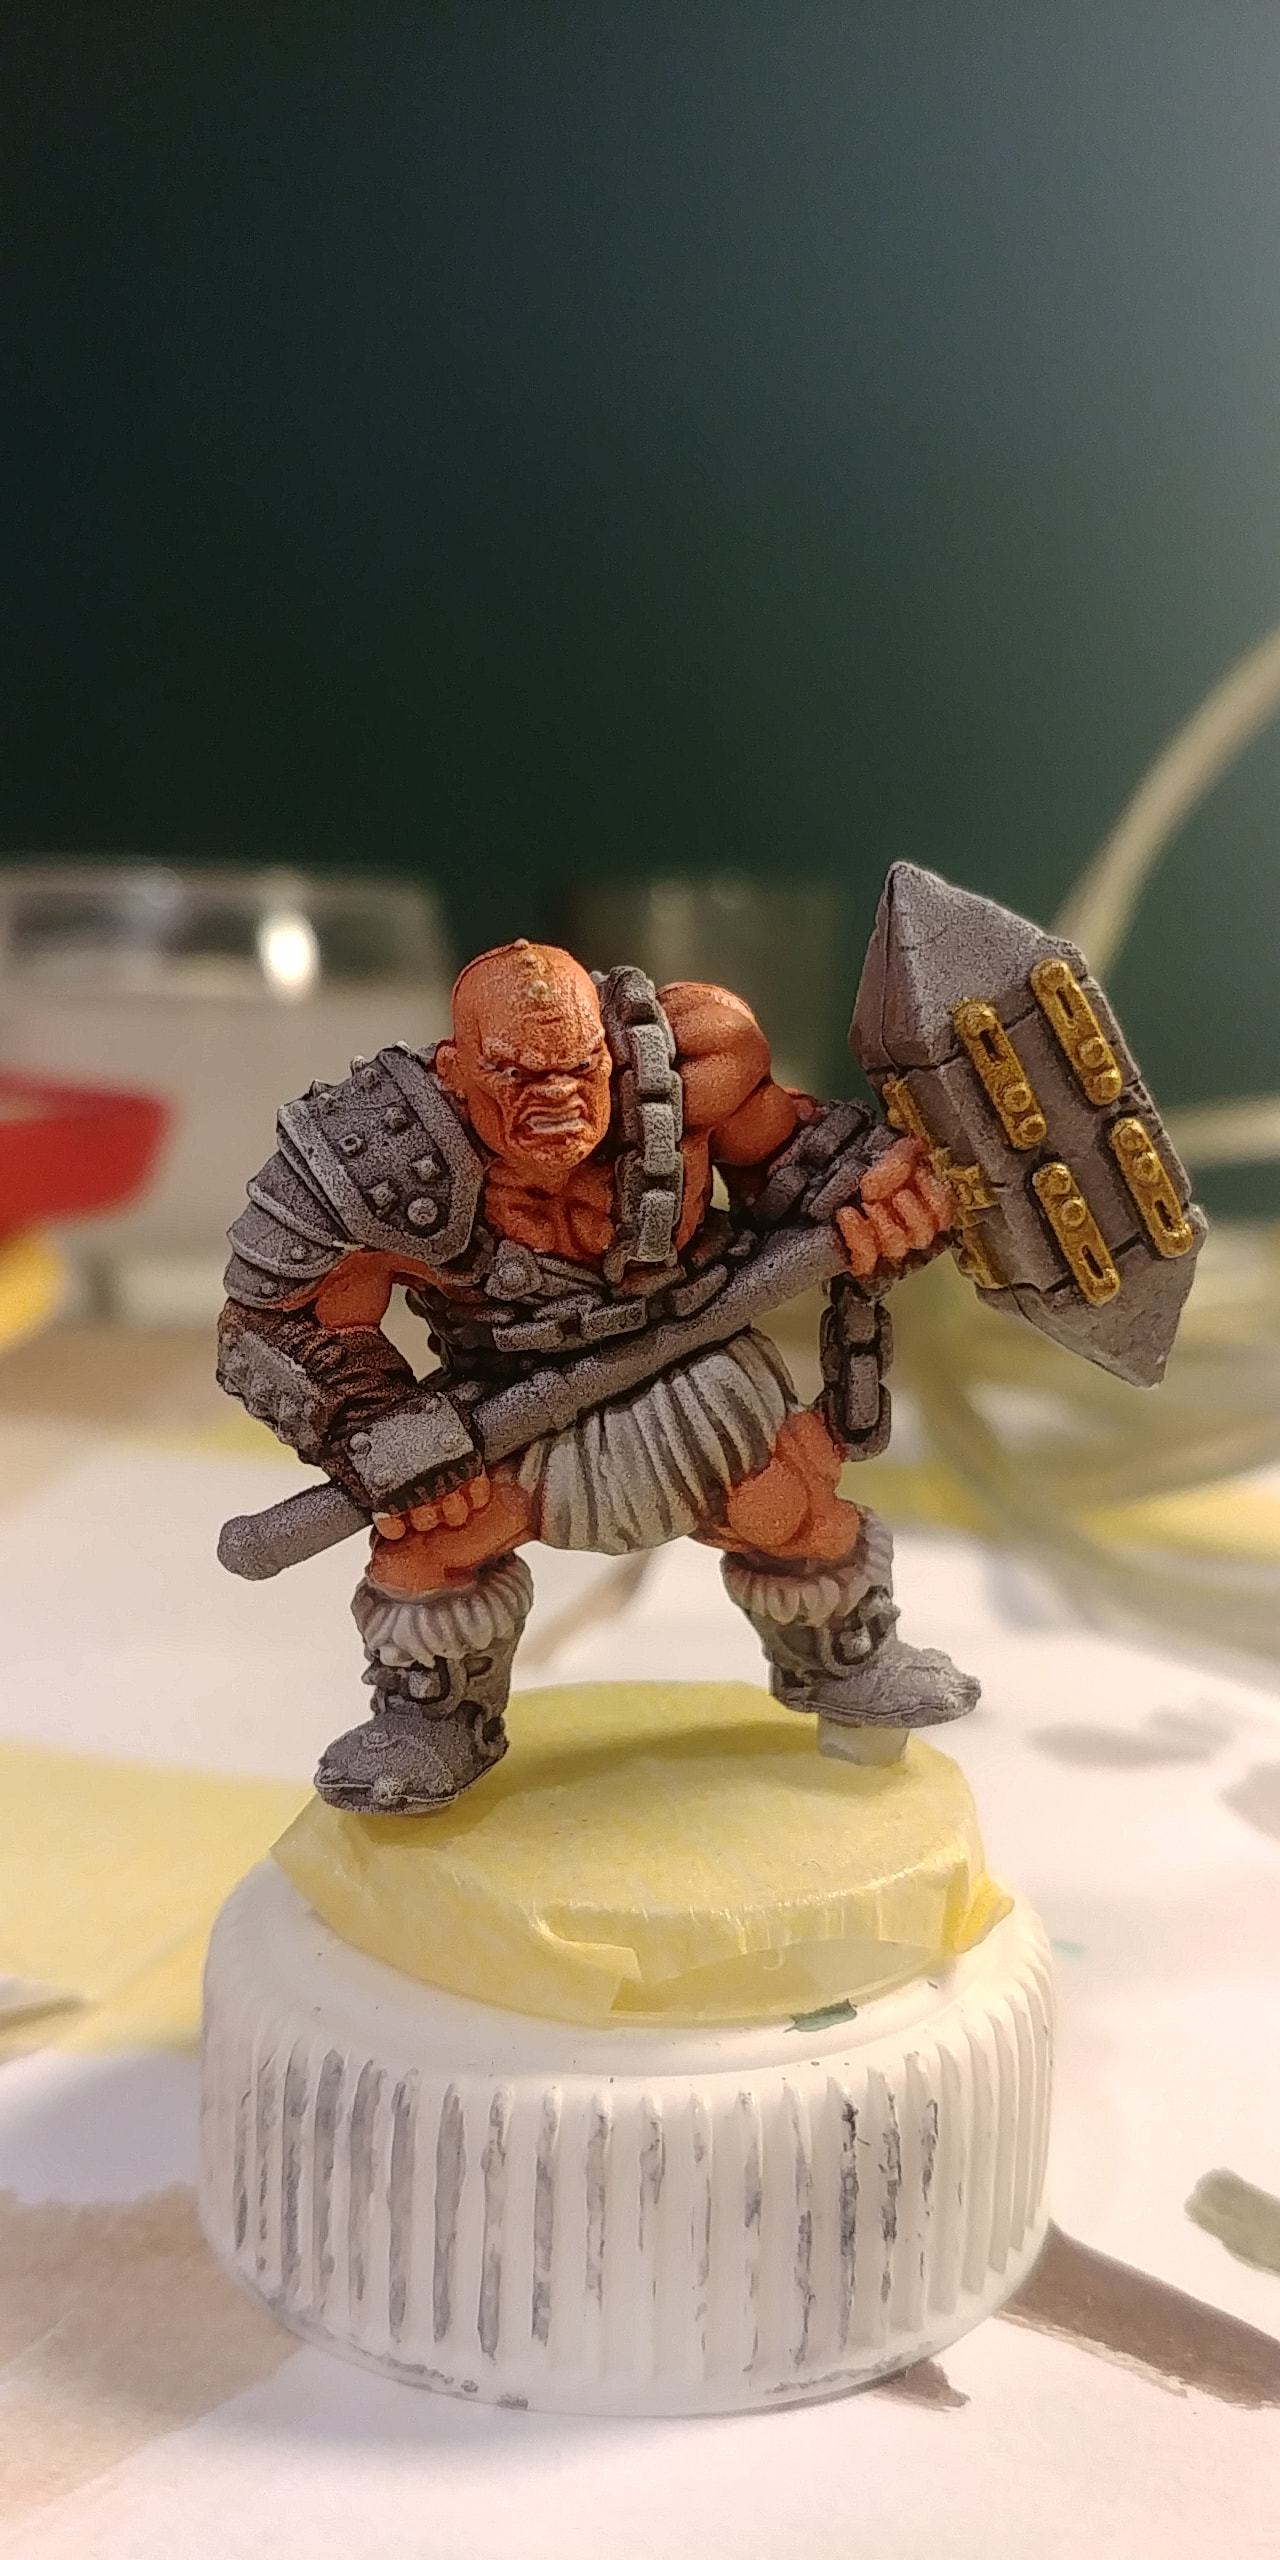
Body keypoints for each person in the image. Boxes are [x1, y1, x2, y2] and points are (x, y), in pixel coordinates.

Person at [217, 938, 976, 1812]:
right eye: (513, 1075)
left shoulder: (694, 1065)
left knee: (790, 1511)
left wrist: (878, 1192)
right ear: (456, 1071)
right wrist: (376, 1424)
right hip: (507, 1403)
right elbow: (276, 1324)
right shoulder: (373, 1156)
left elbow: (796, 1161)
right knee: (429, 1549)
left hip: (700, 1361)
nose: (554, 1099)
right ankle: (432, 1720)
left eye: (577, 1068)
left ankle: (848, 1663)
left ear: (610, 1052)